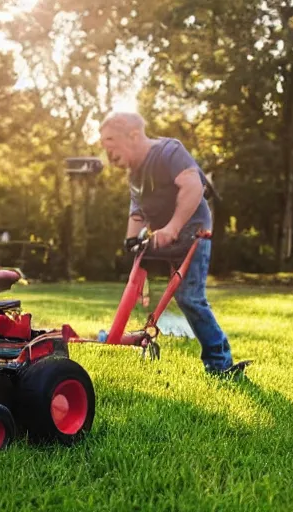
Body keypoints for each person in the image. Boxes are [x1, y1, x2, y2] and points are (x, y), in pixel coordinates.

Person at [99, 111, 249, 378]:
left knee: (190, 297)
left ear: (133, 136)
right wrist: (131, 239)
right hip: (164, 237)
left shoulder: (169, 151)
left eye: (110, 139)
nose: (105, 147)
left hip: (193, 233)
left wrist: (173, 227)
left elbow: (193, 185)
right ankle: (116, 335)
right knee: (136, 288)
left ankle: (221, 363)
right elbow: (137, 211)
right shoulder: (134, 174)